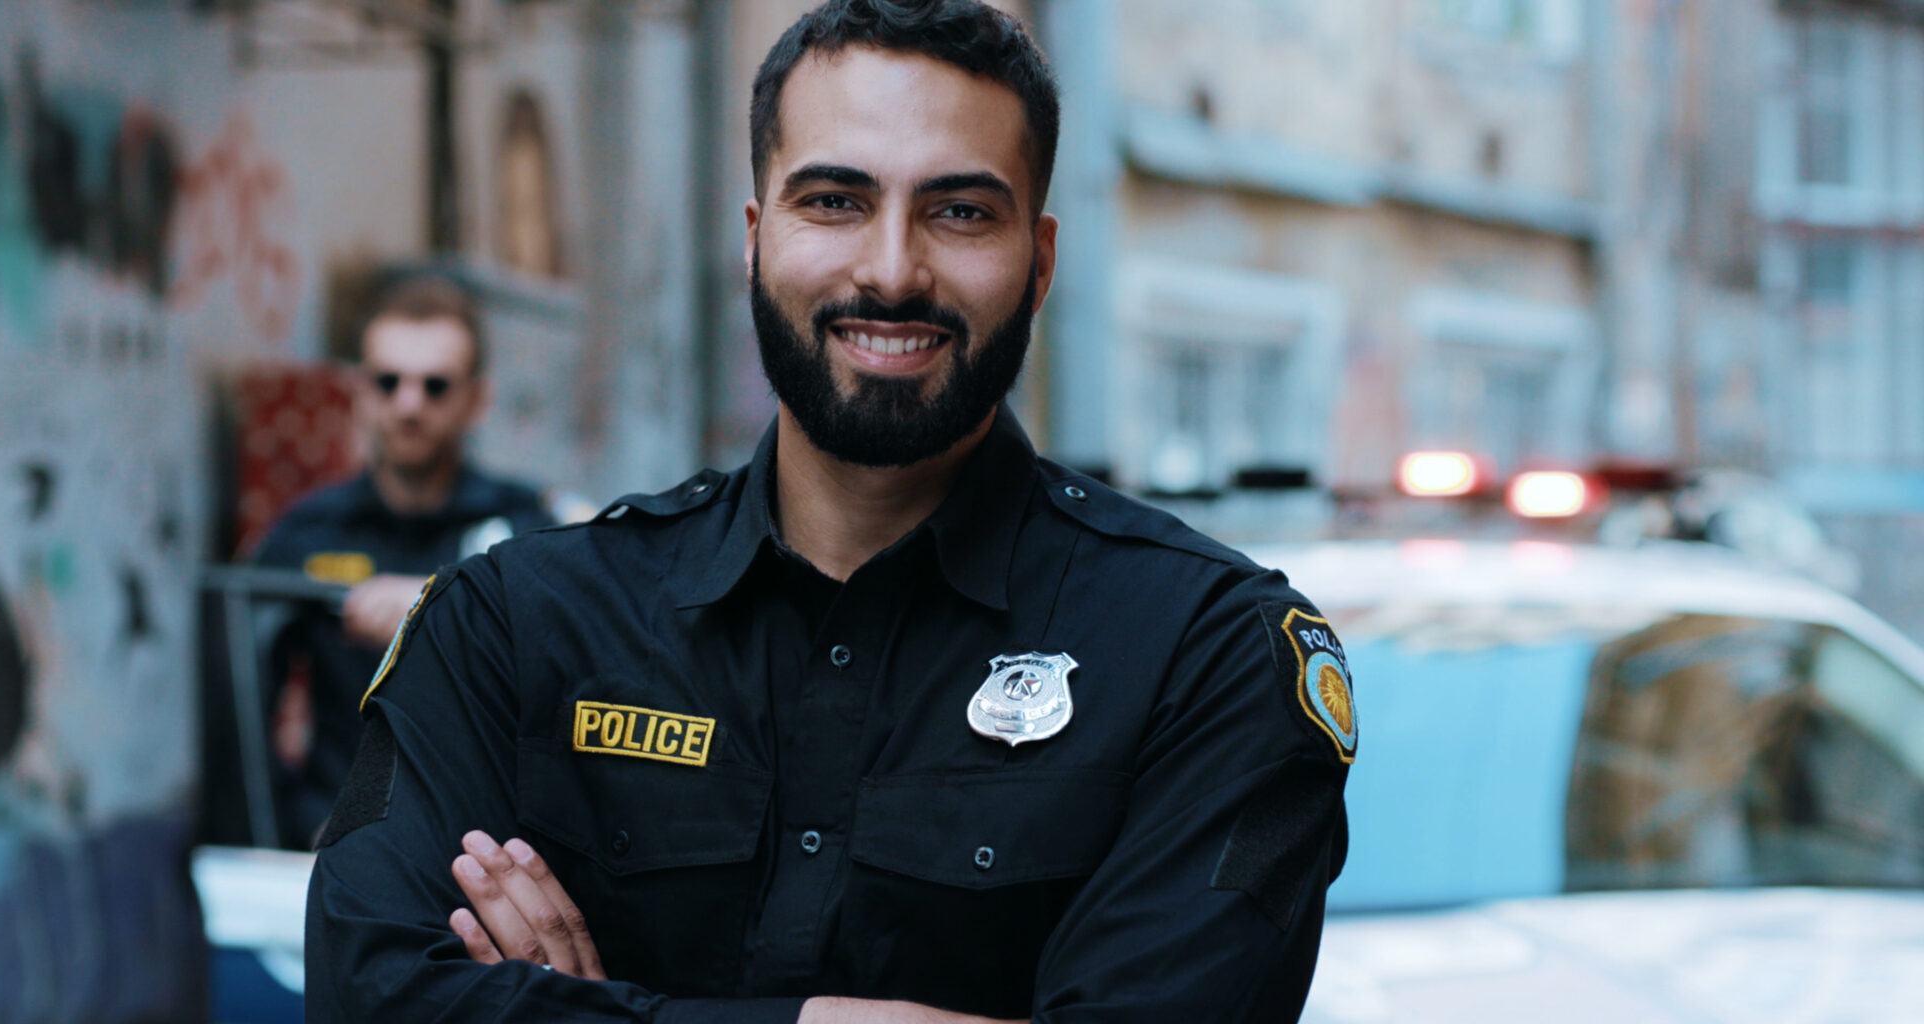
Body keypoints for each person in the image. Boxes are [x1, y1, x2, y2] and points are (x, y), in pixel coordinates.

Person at [306, 1, 1356, 1020]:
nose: (890, 270)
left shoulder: (1206, 654)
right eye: (833, 201)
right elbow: (369, 990)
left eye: (958, 211)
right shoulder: (509, 627)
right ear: (755, 239)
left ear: (1037, 262)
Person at [253, 275, 553, 849]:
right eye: (387, 382)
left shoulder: (528, 531)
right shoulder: (308, 534)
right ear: (360, 391)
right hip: (338, 852)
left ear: (476, 399)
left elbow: (572, 680)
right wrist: (298, 822)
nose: (408, 404)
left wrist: (436, 613)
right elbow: (239, 710)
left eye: (435, 386)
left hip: (487, 861)